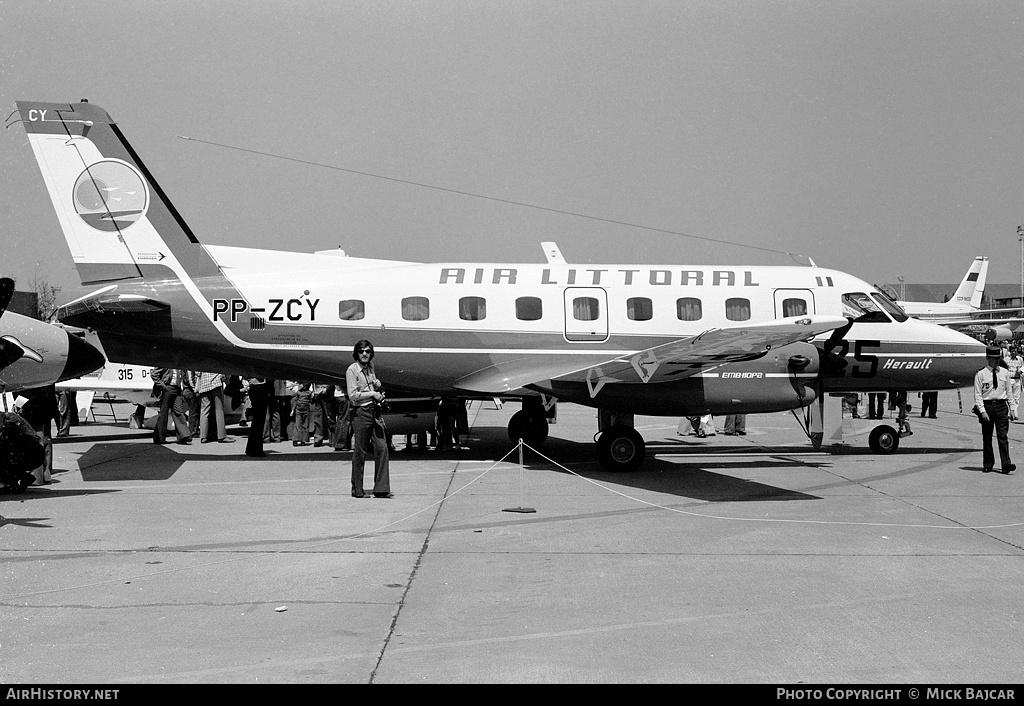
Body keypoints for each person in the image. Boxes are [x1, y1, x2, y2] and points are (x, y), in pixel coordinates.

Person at [346, 340, 391, 498]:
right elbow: (352, 396)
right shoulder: (352, 370)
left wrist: (377, 387)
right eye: (361, 351)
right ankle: (357, 489)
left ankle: (381, 488)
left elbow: (372, 386)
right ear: (356, 353)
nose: (364, 354)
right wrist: (372, 394)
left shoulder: (371, 367)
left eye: (367, 351)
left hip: (374, 411)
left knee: (382, 447)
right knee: (360, 451)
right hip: (361, 412)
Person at [973, 346, 1015, 474]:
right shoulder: (981, 374)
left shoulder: (1004, 373)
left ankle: (1006, 464)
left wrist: (1012, 408)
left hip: (1002, 406)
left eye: (998, 358)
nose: (996, 361)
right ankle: (988, 464)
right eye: (993, 359)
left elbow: (1009, 392)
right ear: (987, 358)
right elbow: (978, 395)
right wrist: (982, 411)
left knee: (1003, 436)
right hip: (987, 407)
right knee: (987, 437)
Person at [17, 385, 60, 485]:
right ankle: (46, 473)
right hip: (44, 411)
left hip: (34, 412)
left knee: (36, 444)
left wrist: (21, 406)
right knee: (45, 442)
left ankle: (38, 478)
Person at [0, 410, 44, 493]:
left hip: (31, 453)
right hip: (29, 451)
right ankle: (15, 480)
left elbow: (12, 440)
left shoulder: (9, 420)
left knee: (4, 456)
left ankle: (14, 480)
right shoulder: (6, 418)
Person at [151, 367, 192, 445]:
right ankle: (159, 438)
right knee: (163, 413)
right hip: (167, 388)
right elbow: (154, 373)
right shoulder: (165, 361)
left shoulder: (178, 364)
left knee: (179, 411)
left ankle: (183, 436)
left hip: (177, 389)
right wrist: (163, 386)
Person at [195, 371, 234, 443]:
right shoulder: (215, 360)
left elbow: (197, 373)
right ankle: (222, 436)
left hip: (203, 384)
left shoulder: (201, 359)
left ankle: (203, 436)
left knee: (204, 411)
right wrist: (226, 379)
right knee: (219, 410)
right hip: (215, 383)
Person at [244, 377, 272, 457]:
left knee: (256, 421)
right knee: (259, 421)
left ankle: (251, 448)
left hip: (254, 387)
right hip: (259, 387)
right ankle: (256, 449)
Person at [1007, 348, 1022, 421]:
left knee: (1016, 398)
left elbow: (1023, 367)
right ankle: (1008, 413)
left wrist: (1021, 371)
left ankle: (1015, 414)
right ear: (1010, 352)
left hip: (1017, 379)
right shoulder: (1006, 359)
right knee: (1008, 396)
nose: (1014, 353)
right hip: (1009, 379)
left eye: (1015, 351)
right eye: (1012, 351)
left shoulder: (1020, 359)